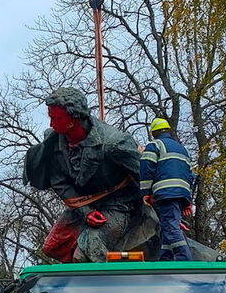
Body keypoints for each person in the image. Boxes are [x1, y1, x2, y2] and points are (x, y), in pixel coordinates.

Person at [24, 87, 144, 263]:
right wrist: (86, 212)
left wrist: (168, 212)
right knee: (53, 246)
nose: (51, 124)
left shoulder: (114, 143)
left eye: (56, 118)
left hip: (119, 205)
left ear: (73, 120)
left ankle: (109, 283)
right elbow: (59, 182)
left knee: (86, 251)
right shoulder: (54, 141)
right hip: (86, 204)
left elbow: (146, 175)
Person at [140, 118, 194, 261]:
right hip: (182, 194)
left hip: (166, 194)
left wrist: (146, 193)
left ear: (154, 133)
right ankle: (166, 258)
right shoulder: (182, 149)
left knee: (171, 227)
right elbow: (191, 176)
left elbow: (147, 169)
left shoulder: (155, 146)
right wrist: (188, 200)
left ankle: (184, 260)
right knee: (168, 225)